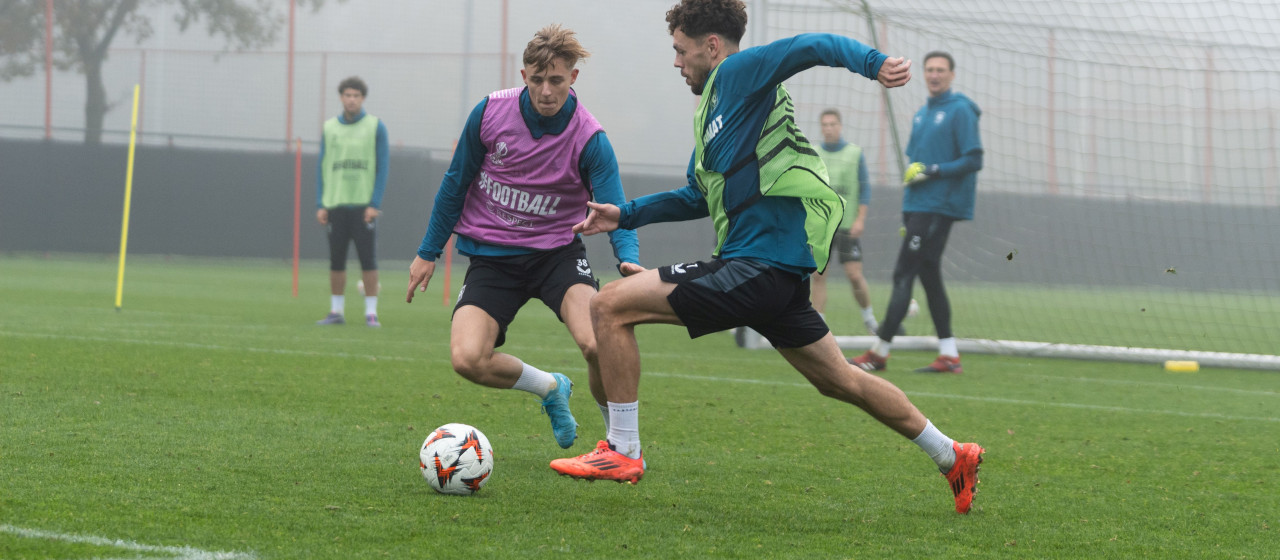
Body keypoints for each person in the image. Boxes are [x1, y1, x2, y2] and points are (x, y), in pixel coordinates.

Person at [550, 0, 985, 514]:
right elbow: (695, 195)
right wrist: (625, 214)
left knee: (609, 306)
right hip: (770, 275)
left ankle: (623, 450)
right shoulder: (712, 111)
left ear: (712, 47)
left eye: (680, 50)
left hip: (756, 267)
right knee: (841, 379)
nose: (676, 62)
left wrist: (874, 63)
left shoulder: (739, 71)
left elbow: (810, 47)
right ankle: (952, 454)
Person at [405, 25, 642, 450]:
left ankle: (617, 446)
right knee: (467, 359)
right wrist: (428, 252)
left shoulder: (590, 139)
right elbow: (455, 184)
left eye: (555, 80)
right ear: (523, 75)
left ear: (573, 78)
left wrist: (627, 258)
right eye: (536, 79)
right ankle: (550, 388)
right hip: (494, 259)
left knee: (597, 342)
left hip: (557, 256)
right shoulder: (490, 113)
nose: (546, 90)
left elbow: (615, 209)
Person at [848, 51, 983, 375]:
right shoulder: (922, 114)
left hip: (939, 207)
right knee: (929, 276)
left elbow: (973, 160)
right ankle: (949, 355)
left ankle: (879, 352)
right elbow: (915, 165)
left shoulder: (961, 110)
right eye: (930, 70)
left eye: (940, 70)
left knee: (903, 274)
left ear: (951, 74)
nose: (934, 75)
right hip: (918, 207)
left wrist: (933, 170)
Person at [316, 76, 389, 327]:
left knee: (368, 260)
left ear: (362, 98)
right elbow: (322, 166)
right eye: (347, 95)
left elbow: (382, 167)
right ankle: (336, 311)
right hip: (335, 205)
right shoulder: (329, 128)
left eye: (356, 95)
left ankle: (371, 313)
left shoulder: (375, 126)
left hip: (363, 206)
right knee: (336, 260)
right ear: (341, 97)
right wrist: (321, 203)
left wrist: (374, 203)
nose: (351, 99)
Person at [810, 108, 884, 335]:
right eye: (825, 125)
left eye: (833, 124)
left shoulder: (854, 153)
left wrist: (860, 219)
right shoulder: (813, 153)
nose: (829, 129)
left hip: (847, 226)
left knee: (854, 275)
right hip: (822, 227)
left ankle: (869, 318)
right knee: (818, 275)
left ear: (840, 126)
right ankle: (819, 325)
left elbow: (865, 189)